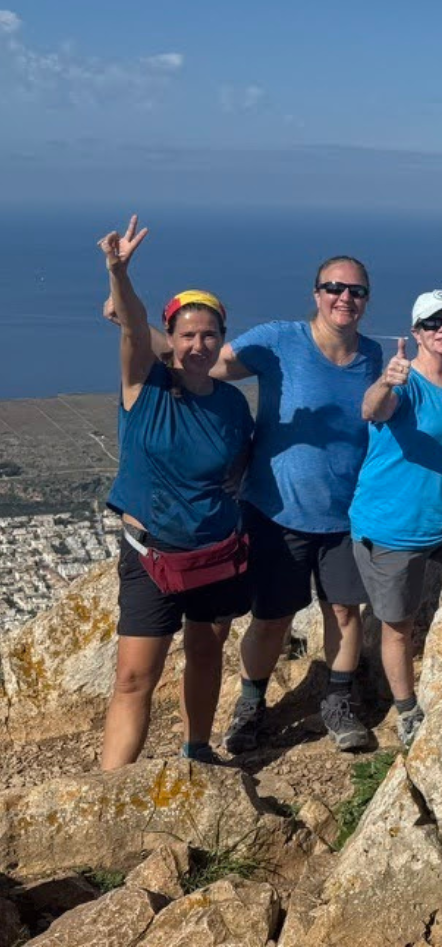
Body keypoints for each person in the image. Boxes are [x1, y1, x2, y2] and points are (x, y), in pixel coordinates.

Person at [98, 216, 254, 769]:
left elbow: (236, 469)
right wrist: (119, 271)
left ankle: (197, 751)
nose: (197, 344)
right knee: (135, 676)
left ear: (221, 339)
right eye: (186, 334)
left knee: (206, 653)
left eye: (209, 334)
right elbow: (133, 326)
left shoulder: (232, 405)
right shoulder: (145, 383)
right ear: (172, 339)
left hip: (213, 550)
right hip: (151, 552)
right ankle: (111, 790)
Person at [213, 256, 384, 754]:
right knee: (271, 619)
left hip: (347, 515)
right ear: (316, 293)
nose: (344, 298)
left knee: (345, 615)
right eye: (334, 288)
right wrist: (136, 332)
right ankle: (250, 703)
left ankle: (337, 700)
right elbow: (205, 362)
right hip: (275, 510)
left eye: (356, 291)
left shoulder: (375, 358)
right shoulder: (278, 340)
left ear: (366, 300)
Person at [348, 291, 442, 748]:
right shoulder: (404, 382)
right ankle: (407, 710)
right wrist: (385, 383)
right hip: (394, 527)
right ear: (415, 333)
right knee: (399, 624)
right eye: (432, 323)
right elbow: (371, 409)